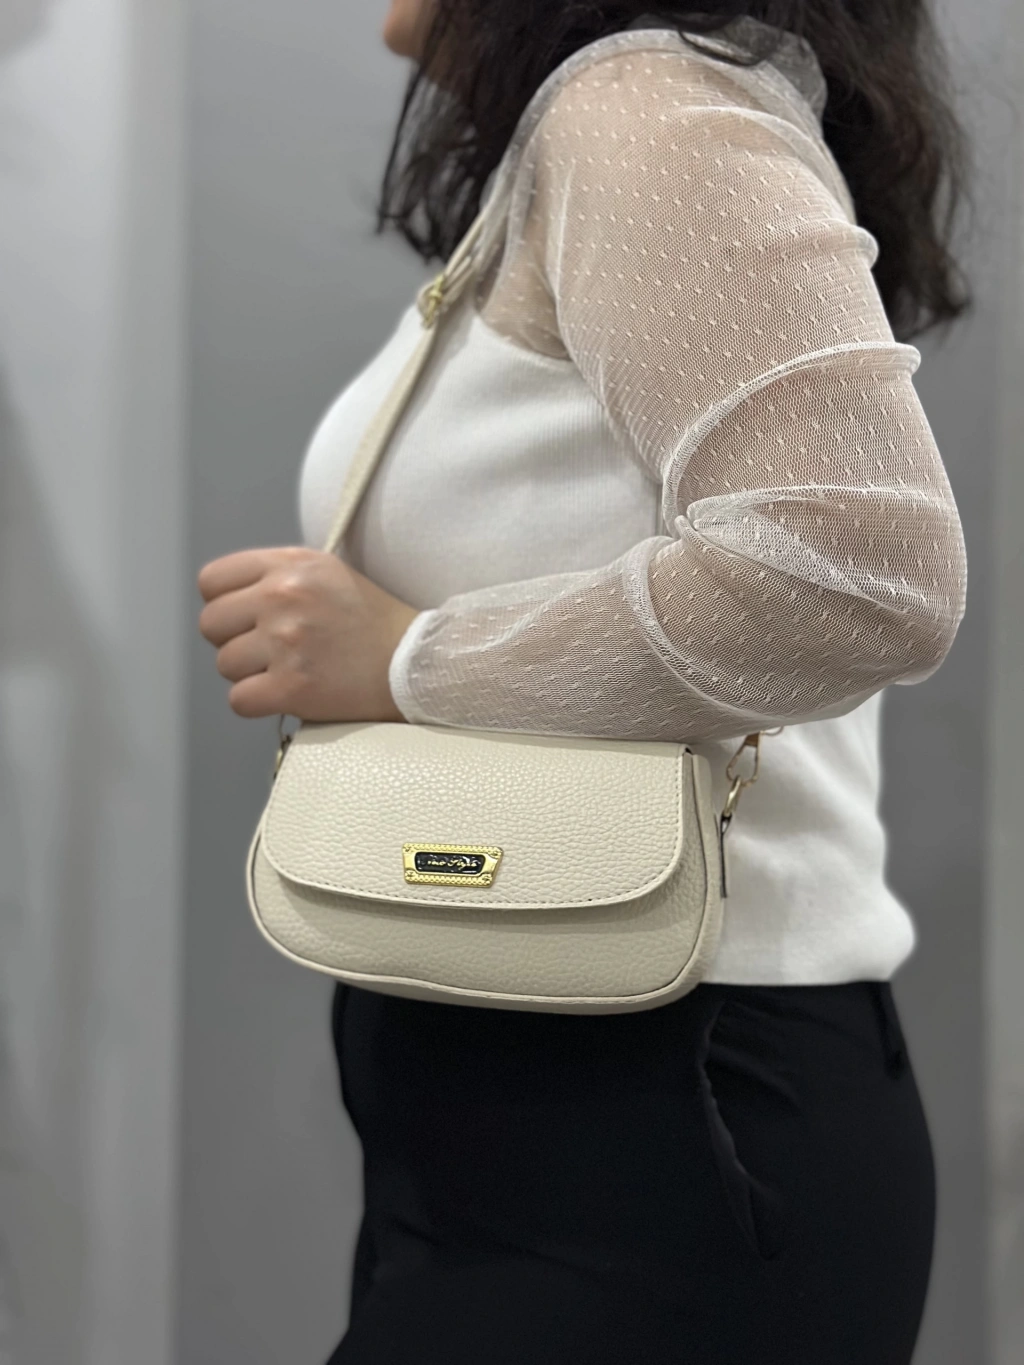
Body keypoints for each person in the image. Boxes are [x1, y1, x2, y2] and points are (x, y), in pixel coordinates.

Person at [197, 3, 971, 1361]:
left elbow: (862, 572)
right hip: (581, 1110)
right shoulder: (607, 126)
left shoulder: (648, 106)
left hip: (661, 1118)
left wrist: (408, 661)